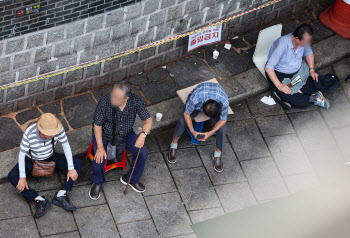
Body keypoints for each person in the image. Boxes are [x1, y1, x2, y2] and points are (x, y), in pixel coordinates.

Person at [8, 113, 81, 218]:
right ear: (41, 131)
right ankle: (39, 200)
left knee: (76, 162)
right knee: (12, 176)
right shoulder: (30, 133)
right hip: (31, 160)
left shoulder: (57, 127)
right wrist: (23, 177)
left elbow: (66, 146)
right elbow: (21, 154)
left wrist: (71, 168)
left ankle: (61, 195)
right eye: (50, 134)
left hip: (51, 157)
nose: (54, 135)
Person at [89, 83, 153, 200]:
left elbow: (148, 120)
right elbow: (97, 125)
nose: (112, 98)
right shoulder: (104, 102)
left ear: (126, 99)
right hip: (105, 134)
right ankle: (97, 182)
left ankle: (131, 179)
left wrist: (143, 135)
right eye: (112, 94)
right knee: (98, 160)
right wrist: (99, 147)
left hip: (126, 133)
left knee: (143, 153)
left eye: (116, 97)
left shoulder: (135, 101)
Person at [265, 23, 338, 110]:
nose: (308, 43)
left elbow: (309, 53)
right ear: (297, 39)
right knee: (287, 94)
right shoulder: (283, 44)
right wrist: (279, 85)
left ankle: (299, 92)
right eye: (306, 41)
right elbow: (268, 67)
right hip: (280, 74)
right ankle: (314, 98)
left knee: (316, 79)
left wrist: (311, 70)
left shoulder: (303, 41)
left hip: (298, 72)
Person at [168, 82, 229, 172]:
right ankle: (173, 145)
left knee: (223, 129)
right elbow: (187, 114)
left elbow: (223, 120)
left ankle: (217, 154)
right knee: (182, 121)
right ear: (203, 106)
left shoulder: (223, 101)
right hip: (199, 98)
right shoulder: (196, 98)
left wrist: (210, 133)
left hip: (215, 97)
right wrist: (192, 131)